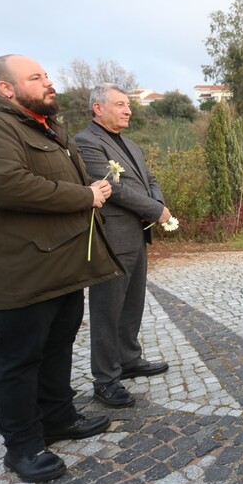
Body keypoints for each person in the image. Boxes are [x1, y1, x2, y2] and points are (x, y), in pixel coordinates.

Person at [0, 55, 121, 483]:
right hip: (19, 271)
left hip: (59, 266)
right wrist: (83, 197)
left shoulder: (44, 126)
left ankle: (58, 417)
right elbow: (5, 185)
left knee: (57, 345)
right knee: (19, 359)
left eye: (47, 75)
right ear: (6, 88)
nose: (49, 83)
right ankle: (23, 445)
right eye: (36, 77)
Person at [74, 85, 172, 409]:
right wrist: (154, 210)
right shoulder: (87, 142)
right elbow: (113, 189)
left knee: (132, 304)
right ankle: (105, 380)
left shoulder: (129, 143)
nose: (128, 110)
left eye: (128, 105)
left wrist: (157, 201)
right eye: (120, 104)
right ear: (97, 108)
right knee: (107, 310)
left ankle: (129, 359)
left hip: (136, 236)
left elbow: (149, 178)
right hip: (112, 239)